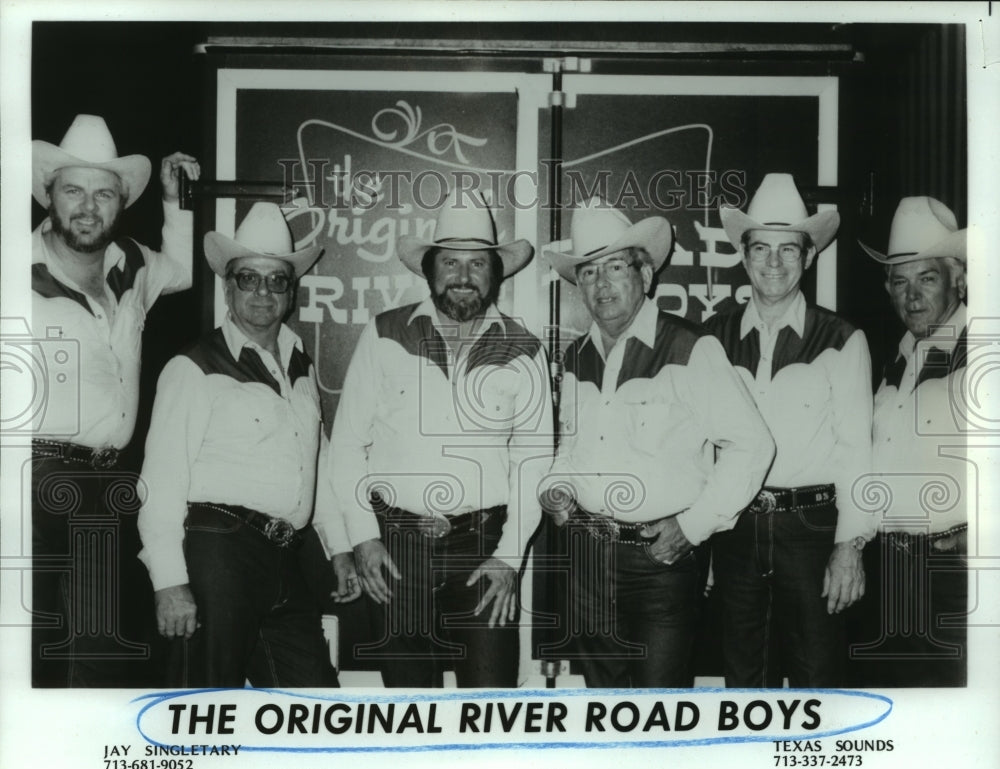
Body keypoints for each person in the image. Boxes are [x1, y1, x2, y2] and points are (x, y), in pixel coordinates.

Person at [323, 189, 553, 688]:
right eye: (450, 262)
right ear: (429, 269)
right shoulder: (384, 333)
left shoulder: (524, 348)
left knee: (489, 713)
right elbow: (346, 445)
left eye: (477, 263)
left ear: (496, 272)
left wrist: (510, 557)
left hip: (484, 551)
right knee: (409, 714)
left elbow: (536, 461)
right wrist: (362, 537)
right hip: (394, 548)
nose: (463, 276)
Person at [540, 198, 775, 688]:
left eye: (615, 267)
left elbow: (753, 446)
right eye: (588, 272)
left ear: (644, 276)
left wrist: (692, 527)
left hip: (661, 566)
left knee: (659, 715)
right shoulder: (575, 356)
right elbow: (568, 447)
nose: (601, 284)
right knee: (603, 715)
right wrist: (558, 486)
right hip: (587, 560)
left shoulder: (690, 347)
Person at [137, 202, 358, 687]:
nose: (262, 292)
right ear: (226, 285)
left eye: (276, 280)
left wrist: (339, 549)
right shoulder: (193, 366)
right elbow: (160, 481)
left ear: (291, 290)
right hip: (218, 553)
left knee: (316, 705)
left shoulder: (300, 365)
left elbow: (314, 463)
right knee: (202, 703)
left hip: (285, 559)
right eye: (248, 278)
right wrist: (170, 581)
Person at [29, 114, 200, 687]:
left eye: (103, 193)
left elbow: (180, 271)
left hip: (104, 485)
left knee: (97, 652)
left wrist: (177, 203)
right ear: (47, 195)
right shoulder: (11, 270)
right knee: (26, 645)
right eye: (72, 190)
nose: (87, 206)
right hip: (29, 476)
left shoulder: (132, 265)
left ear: (120, 204)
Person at [705, 173, 874, 688]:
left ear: (809, 256)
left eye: (788, 250)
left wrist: (850, 546)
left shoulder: (842, 338)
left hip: (812, 532)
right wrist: (706, 542)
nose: (773, 263)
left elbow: (856, 449)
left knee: (815, 682)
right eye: (761, 248)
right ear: (743, 253)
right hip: (735, 532)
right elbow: (703, 449)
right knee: (742, 683)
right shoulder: (712, 336)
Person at [854, 196, 969, 687]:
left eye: (926, 278)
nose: (912, 295)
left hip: (954, 576)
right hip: (890, 575)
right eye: (900, 282)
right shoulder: (894, 361)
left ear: (957, 279)